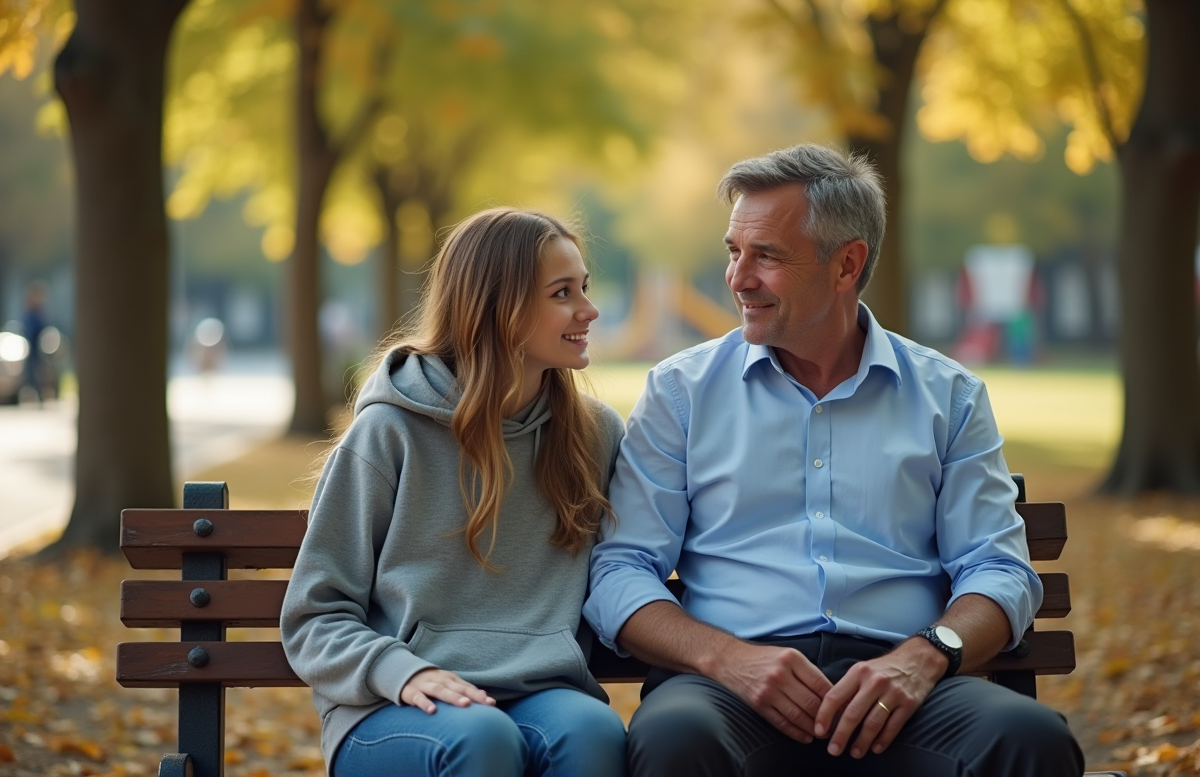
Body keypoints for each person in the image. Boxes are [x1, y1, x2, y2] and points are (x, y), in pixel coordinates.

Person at [584, 144, 1085, 777]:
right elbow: (621, 570)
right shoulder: (680, 393)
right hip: (729, 692)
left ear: (847, 264)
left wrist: (925, 657)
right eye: (734, 251)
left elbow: (998, 569)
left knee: (1030, 740)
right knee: (675, 741)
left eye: (766, 255)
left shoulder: (948, 396)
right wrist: (727, 659)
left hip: (904, 686)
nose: (738, 279)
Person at [282, 208, 628, 777]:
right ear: (498, 307)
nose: (588, 310)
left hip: (542, 690)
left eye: (583, 288)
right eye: (563, 293)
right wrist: (402, 671)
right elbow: (313, 615)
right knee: (483, 738)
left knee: (593, 733)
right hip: (392, 705)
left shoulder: (594, 434)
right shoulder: (389, 432)